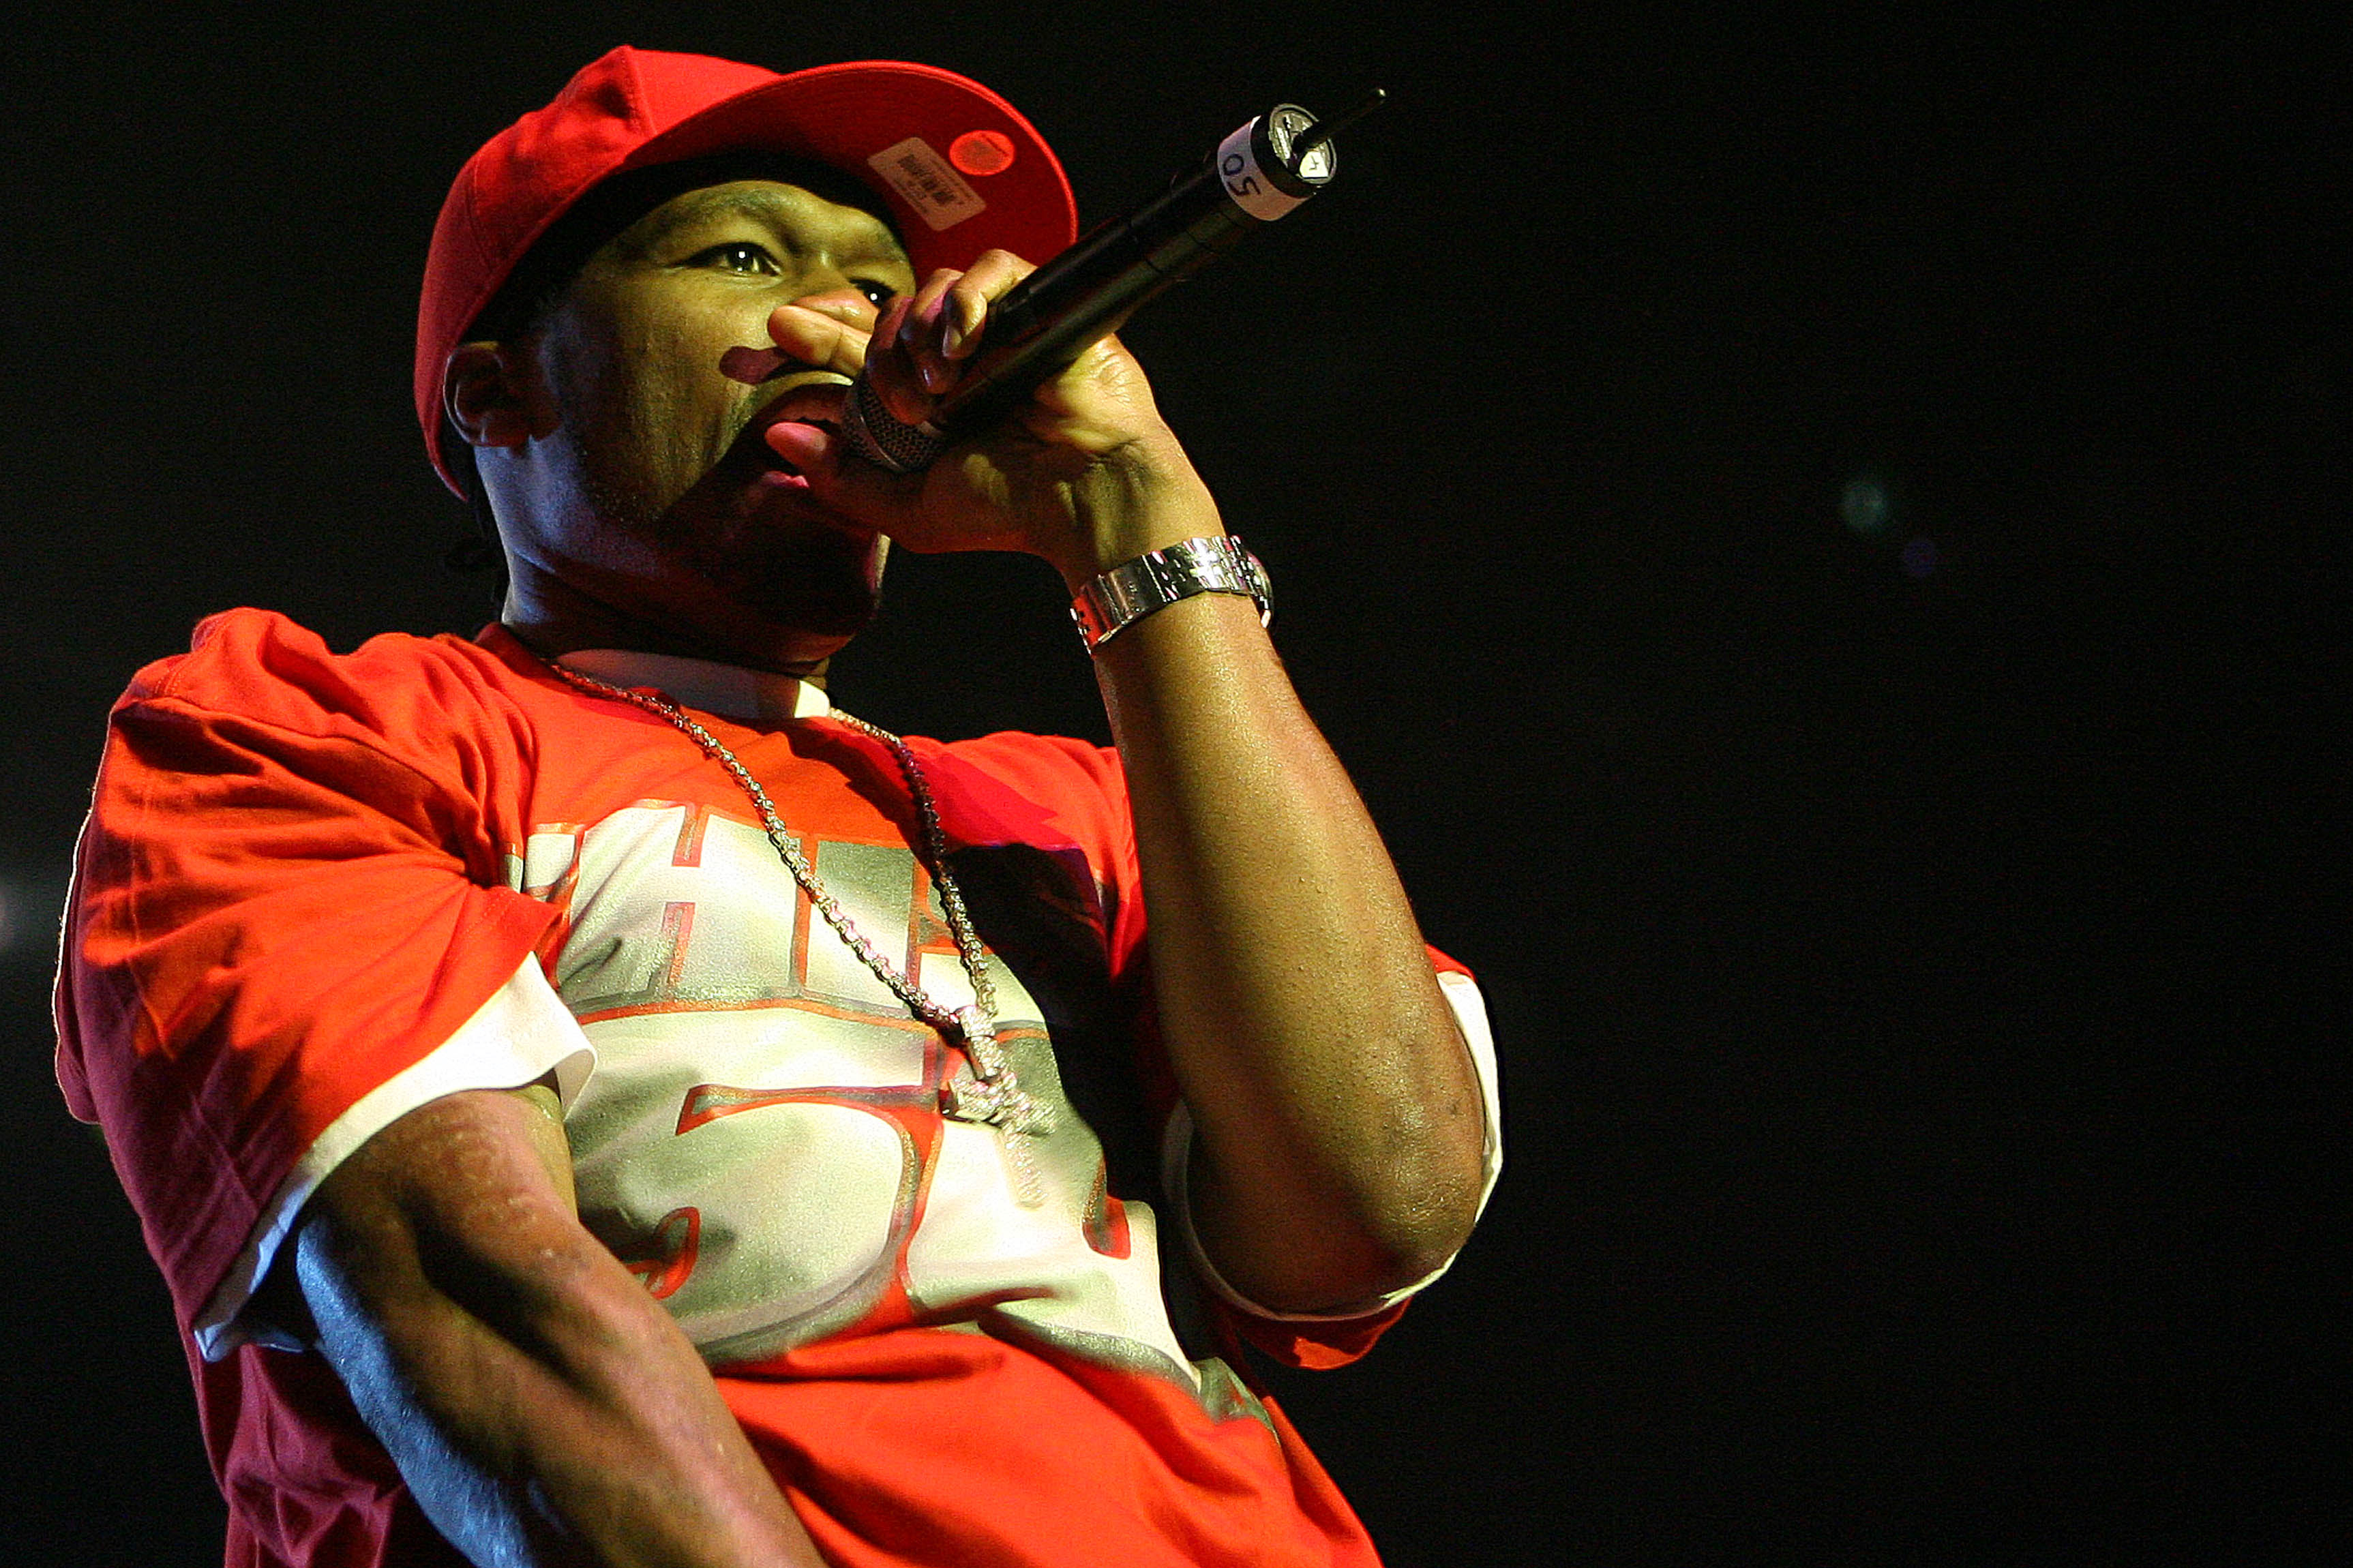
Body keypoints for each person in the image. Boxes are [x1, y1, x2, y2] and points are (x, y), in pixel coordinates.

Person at [56, 47, 1501, 1568]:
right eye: (744, 259)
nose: (841, 327)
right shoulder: (307, 732)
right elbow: (482, 1319)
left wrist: (1131, 512)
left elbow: (1373, 1208)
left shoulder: (1085, 811)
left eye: (881, 290)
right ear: (498, 390)